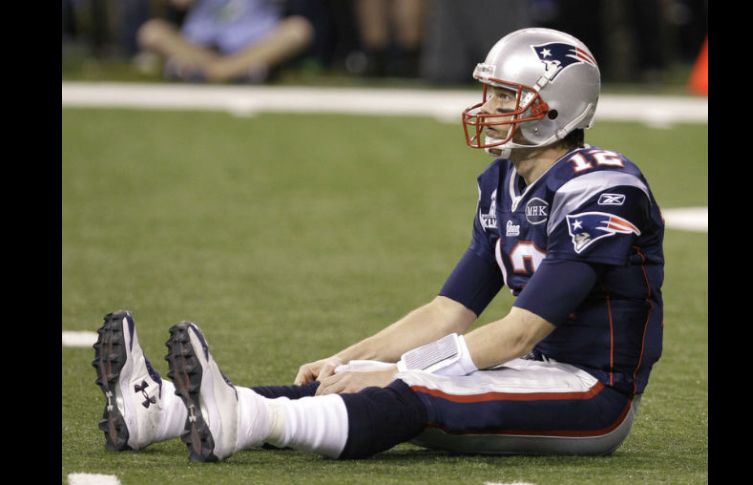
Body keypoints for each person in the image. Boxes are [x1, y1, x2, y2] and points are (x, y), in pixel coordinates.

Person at [93, 27, 664, 461]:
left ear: (555, 107)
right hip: (533, 371)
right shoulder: (504, 183)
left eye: (503, 95)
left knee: (411, 385)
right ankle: (160, 412)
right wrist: (351, 356)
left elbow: (520, 331)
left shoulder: (601, 188)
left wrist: (403, 370)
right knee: (355, 373)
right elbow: (448, 311)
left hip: (592, 396)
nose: (486, 108)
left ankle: (244, 420)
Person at [135, 0, 314, 83]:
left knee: (298, 30)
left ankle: (208, 72)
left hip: (253, 45)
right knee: (151, 32)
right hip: (202, 46)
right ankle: (237, 72)